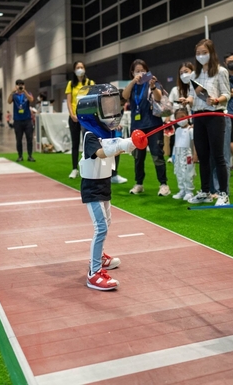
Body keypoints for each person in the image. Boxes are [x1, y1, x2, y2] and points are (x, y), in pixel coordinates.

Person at [76, 84, 136, 291]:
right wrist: (121, 145)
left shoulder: (106, 132)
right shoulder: (90, 134)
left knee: (107, 222)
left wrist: (128, 144)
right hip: (92, 187)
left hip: (104, 183)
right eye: (106, 105)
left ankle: (99, 257)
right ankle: (93, 273)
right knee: (100, 227)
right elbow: (101, 152)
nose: (111, 110)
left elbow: (112, 149)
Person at [185, 39, 231, 205]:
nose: (201, 56)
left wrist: (217, 100)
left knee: (218, 156)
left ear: (211, 53)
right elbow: (192, 95)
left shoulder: (221, 71)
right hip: (198, 117)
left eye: (204, 53)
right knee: (202, 156)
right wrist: (187, 100)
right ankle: (205, 191)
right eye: (198, 53)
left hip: (215, 116)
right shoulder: (194, 75)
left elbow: (227, 94)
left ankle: (223, 194)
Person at [121, 59, 170, 196]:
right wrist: (132, 82)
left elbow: (159, 98)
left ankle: (163, 184)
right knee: (138, 157)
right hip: (137, 127)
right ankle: (139, 184)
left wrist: (153, 87)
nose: (140, 73)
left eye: (143, 71)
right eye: (137, 71)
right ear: (132, 72)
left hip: (154, 125)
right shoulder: (132, 86)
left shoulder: (152, 82)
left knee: (157, 155)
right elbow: (124, 96)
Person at [65, 61, 94, 179]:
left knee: (87, 142)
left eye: (82, 67)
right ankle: (74, 169)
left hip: (87, 118)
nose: (80, 69)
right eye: (78, 67)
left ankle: (87, 168)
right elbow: (69, 101)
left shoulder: (90, 83)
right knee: (75, 144)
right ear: (74, 70)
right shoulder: (71, 84)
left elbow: (93, 99)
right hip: (74, 118)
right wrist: (72, 115)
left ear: (85, 69)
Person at [7, 79, 35, 162]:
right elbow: (9, 101)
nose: (20, 86)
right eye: (19, 85)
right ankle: (20, 156)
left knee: (29, 138)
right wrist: (12, 92)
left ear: (24, 86)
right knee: (18, 139)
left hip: (27, 120)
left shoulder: (27, 93)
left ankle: (30, 156)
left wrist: (25, 92)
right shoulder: (14, 95)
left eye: (22, 85)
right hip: (17, 120)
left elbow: (31, 100)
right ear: (16, 86)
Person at [171, 108, 195, 200]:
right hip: (178, 154)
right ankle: (182, 190)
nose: (180, 119)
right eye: (178, 118)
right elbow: (175, 143)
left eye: (182, 117)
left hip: (187, 155)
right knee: (179, 172)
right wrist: (173, 155)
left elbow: (194, 143)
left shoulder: (190, 130)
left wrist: (195, 155)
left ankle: (189, 191)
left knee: (187, 173)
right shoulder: (177, 130)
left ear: (187, 116)